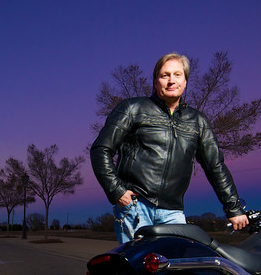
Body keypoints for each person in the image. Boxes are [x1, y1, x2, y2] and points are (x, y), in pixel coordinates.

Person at [91, 52, 249, 244]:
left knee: (176, 261)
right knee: (137, 262)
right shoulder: (132, 108)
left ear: (185, 81)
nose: (171, 81)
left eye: (177, 75)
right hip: (136, 206)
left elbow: (215, 167)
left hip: (173, 212)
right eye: (165, 75)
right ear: (155, 82)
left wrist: (233, 208)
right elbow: (101, 149)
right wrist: (116, 190)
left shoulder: (198, 121)